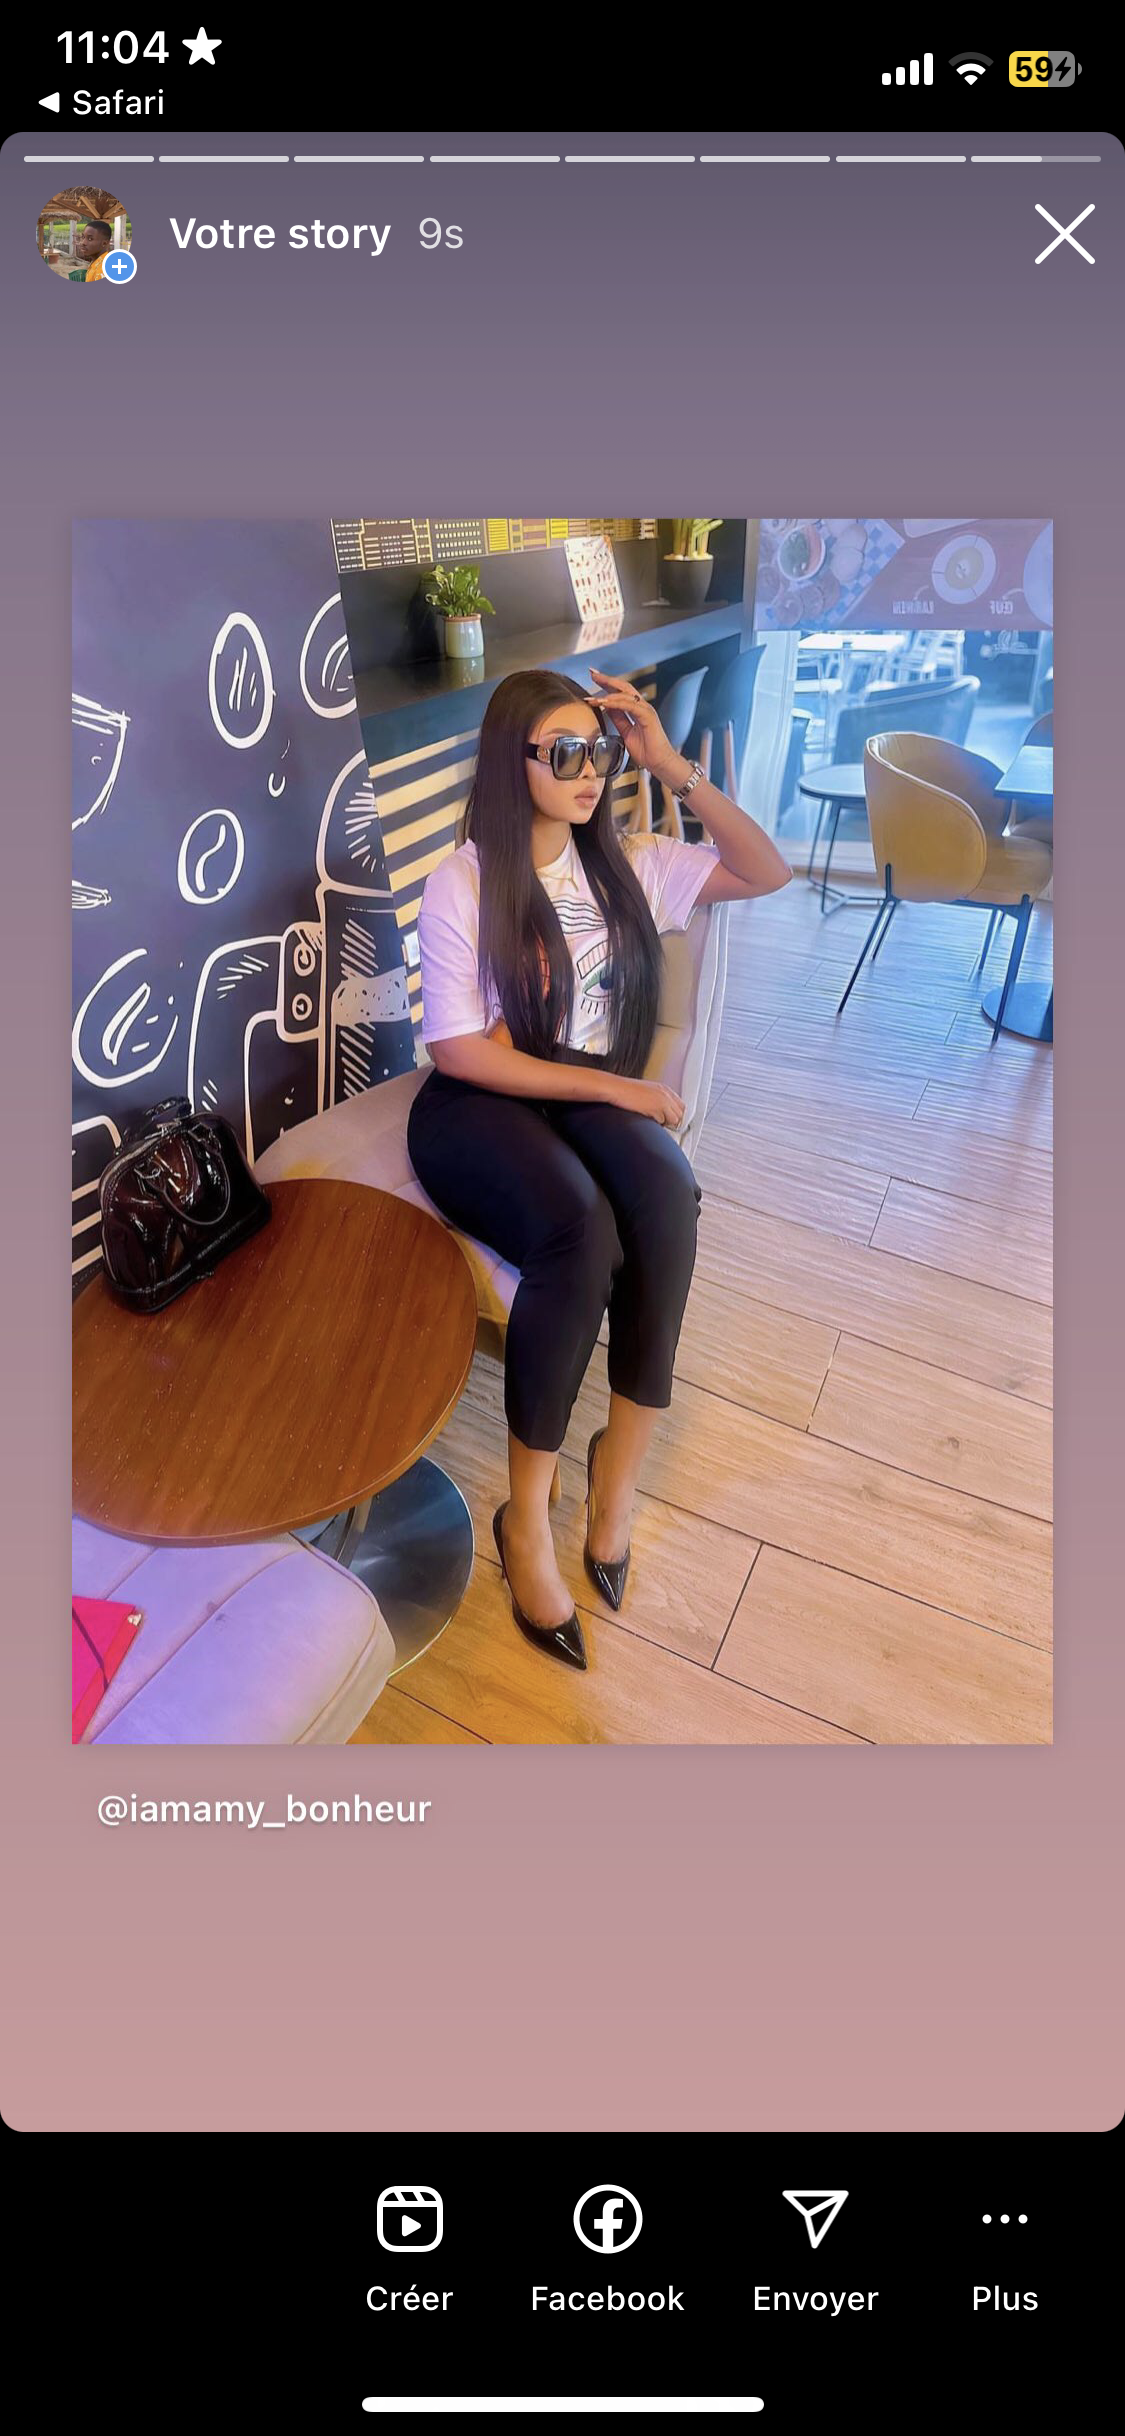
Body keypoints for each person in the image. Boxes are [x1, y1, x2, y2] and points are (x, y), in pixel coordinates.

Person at [407, 665, 792, 1670]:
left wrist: (669, 764)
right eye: (566, 752)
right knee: (580, 1235)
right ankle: (525, 1520)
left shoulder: (630, 864)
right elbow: (460, 1052)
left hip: (575, 1090)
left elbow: (766, 870)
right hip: (476, 1104)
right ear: (514, 761)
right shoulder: (463, 881)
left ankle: (614, 1478)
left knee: (666, 1195)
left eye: (601, 751)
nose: (590, 771)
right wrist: (620, 1091)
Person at [45, 220, 114, 281]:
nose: (83, 242)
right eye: (83, 237)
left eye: (90, 239)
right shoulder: (96, 263)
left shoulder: (103, 270)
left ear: (104, 243)